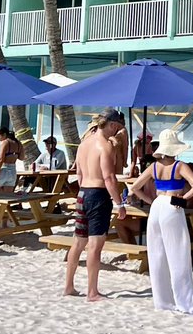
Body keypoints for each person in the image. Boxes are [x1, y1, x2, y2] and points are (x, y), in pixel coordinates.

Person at [129, 129, 193, 313]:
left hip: (157, 206)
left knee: (157, 255)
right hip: (173, 206)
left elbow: (134, 187)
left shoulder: (154, 167)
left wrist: (151, 202)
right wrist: (183, 199)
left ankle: (163, 301)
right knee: (178, 254)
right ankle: (184, 301)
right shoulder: (179, 166)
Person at [65, 110, 127, 302]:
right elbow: (109, 178)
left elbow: (80, 174)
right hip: (98, 195)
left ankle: (69, 286)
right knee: (95, 246)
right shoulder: (105, 146)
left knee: (78, 242)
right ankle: (92, 291)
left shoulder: (84, 144)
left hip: (82, 193)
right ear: (113, 125)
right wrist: (119, 203)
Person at [0, 127, 22, 192]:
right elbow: (22, 157)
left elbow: (0, 159)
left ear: (4, 135)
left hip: (4, 169)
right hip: (13, 170)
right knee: (8, 195)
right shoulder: (18, 143)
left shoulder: (5, 142)